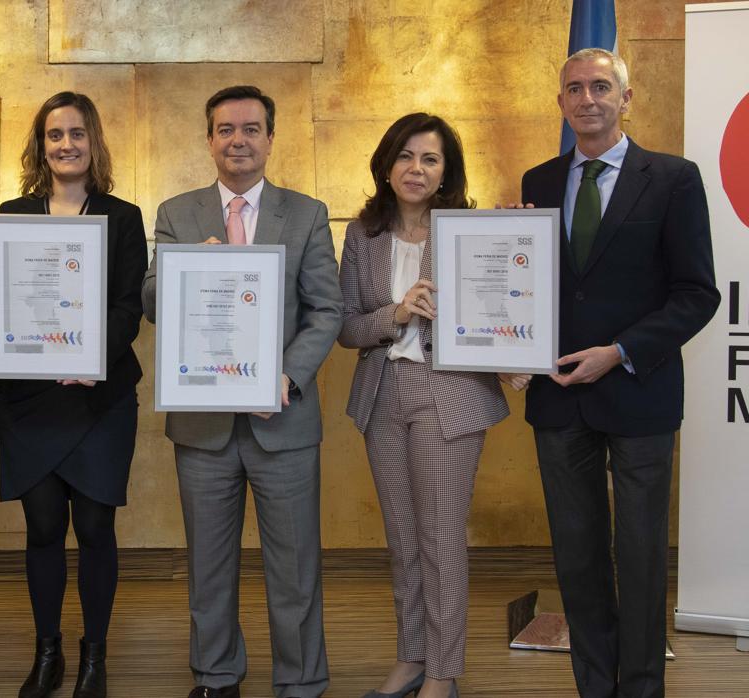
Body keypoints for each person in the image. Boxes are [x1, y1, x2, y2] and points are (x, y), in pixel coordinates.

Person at [517, 48, 719, 697]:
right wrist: (509, 340)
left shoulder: (674, 178)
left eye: (601, 86)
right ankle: (594, 687)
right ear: (560, 103)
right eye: (574, 88)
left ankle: (640, 689)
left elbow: (696, 292)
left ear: (626, 98)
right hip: (557, 399)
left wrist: (620, 351)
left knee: (639, 557)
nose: (588, 98)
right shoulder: (539, 182)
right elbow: (535, 289)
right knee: (576, 561)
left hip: (639, 391)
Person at [140, 85, 343, 698]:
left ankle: (302, 682)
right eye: (225, 129)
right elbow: (150, 303)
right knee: (208, 566)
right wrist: (183, 274)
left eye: (251, 128)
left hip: (281, 418)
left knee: (295, 569)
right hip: (203, 427)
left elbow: (327, 310)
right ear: (208, 140)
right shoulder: (178, 213)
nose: (238, 140)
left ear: (270, 138)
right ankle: (216, 675)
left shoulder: (305, 213)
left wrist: (287, 375)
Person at [0, 91, 147, 698]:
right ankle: (47, 653)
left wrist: (91, 357)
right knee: (42, 527)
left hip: (99, 400)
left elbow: (128, 308)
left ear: (93, 142)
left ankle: (94, 656)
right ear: (39, 146)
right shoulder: (10, 214)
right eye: (54, 135)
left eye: (76, 133)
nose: (65, 144)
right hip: (28, 400)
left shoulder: (122, 217)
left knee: (96, 527)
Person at [337, 113, 510, 698]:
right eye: (406, 156)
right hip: (383, 397)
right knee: (403, 536)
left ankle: (443, 670)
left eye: (430, 159)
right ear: (387, 166)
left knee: (440, 536)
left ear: (447, 173)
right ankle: (411, 657)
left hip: (451, 397)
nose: (416, 169)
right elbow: (347, 329)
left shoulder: (468, 230)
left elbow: (503, 305)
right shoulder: (361, 236)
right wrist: (398, 314)